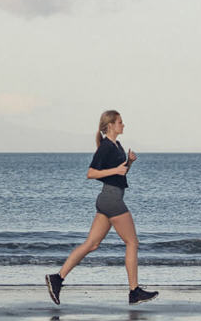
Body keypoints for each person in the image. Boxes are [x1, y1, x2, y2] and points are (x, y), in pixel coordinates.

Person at [46, 110, 159, 306]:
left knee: (92, 244)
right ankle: (134, 291)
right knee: (132, 243)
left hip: (109, 198)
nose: (123, 125)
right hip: (111, 200)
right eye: (120, 122)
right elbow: (91, 173)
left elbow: (119, 175)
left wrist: (129, 163)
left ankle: (57, 278)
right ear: (110, 126)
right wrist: (117, 169)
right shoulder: (106, 147)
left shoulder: (117, 146)